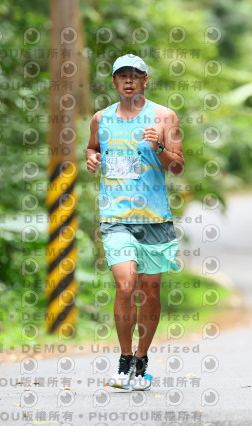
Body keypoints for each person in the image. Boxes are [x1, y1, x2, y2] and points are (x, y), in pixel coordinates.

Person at [85, 54, 185, 391]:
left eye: (135, 75)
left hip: (155, 219)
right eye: (122, 75)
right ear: (114, 81)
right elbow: (92, 148)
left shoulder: (164, 117)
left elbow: (178, 167)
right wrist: (92, 158)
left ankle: (142, 361)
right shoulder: (101, 118)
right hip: (116, 218)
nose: (129, 81)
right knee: (126, 286)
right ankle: (124, 359)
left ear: (145, 80)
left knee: (150, 292)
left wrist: (158, 147)